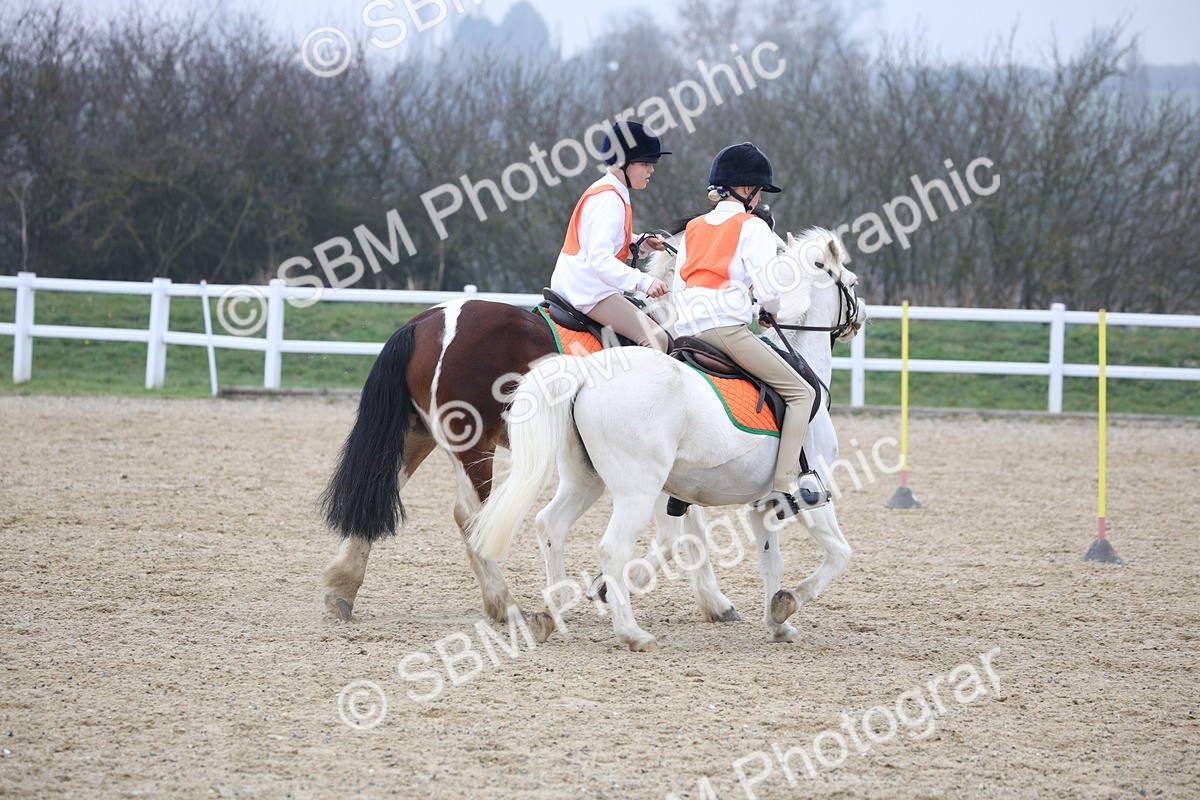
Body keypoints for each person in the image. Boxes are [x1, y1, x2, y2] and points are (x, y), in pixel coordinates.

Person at [672, 142, 826, 519]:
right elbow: (770, 292)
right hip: (725, 331)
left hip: (685, 331)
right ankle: (781, 488)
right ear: (746, 190)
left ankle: (681, 488)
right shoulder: (752, 227)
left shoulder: (692, 227)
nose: (758, 199)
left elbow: (678, 287)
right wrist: (765, 311)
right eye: (758, 192)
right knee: (803, 392)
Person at [550, 121, 672, 352]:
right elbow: (600, 259)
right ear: (622, 163)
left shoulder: (611, 191)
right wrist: (644, 282)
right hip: (589, 290)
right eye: (646, 163)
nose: (652, 170)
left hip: (583, 283)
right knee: (657, 339)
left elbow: (604, 241)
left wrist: (641, 243)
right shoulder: (608, 201)